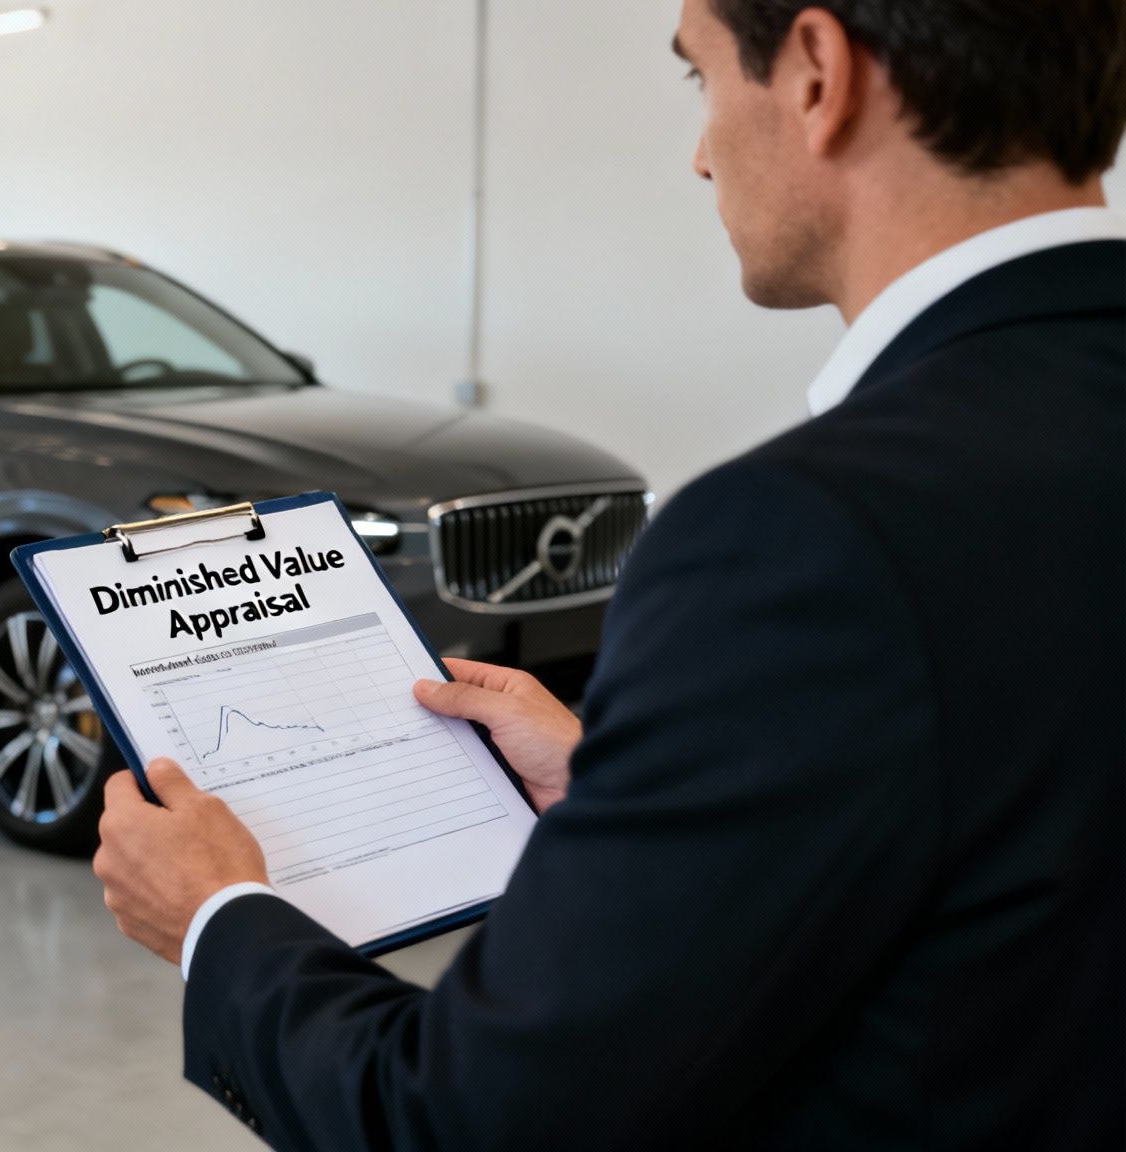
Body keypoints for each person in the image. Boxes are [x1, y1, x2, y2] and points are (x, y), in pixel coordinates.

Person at [90, 0, 1126, 1147]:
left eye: (700, 81)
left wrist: (217, 917)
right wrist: (640, 791)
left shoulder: (799, 535)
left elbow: (470, 1122)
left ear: (817, 74)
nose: (696, 154)